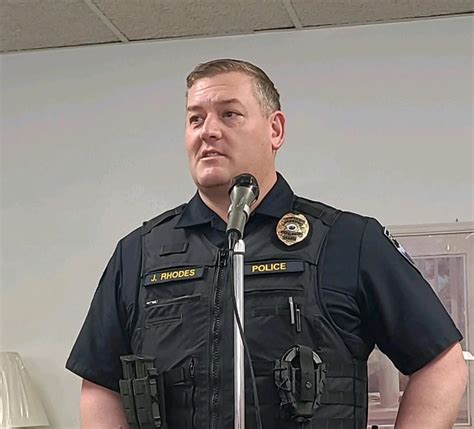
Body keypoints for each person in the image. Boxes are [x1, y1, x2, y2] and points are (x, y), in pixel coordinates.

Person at [66, 59, 467, 428]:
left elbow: (441, 364)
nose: (208, 131)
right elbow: (100, 383)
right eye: (195, 118)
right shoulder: (139, 253)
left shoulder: (347, 241)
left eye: (229, 114)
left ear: (275, 130)